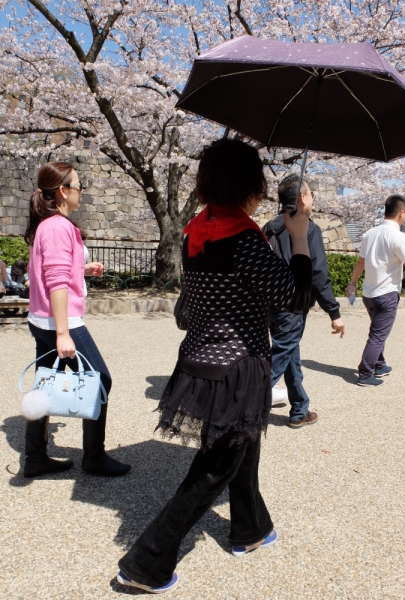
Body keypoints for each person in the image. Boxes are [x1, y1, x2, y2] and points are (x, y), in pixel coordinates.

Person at [116, 139, 313, 594]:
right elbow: (296, 298)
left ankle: (250, 528)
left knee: (242, 444)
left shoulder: (197, 231)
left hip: (199, 359)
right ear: (250, 184)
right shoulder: (244, 239)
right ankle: (146, 563)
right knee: (214, 467)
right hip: (238, 367)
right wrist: (299, 237)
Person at [23, 161, 131, 478]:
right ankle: (94, 457)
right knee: (100, 379)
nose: (81, 191)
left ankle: (35, 457)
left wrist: (82, 270)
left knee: (45, 381)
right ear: (63, 190)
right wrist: (63, 333)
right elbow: (55, 282)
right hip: (61, 321)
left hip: (41, 318)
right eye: (78, 185)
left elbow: (53, 272)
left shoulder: (49, 224)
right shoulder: (58, 227)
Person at [263, 174, 345, 429]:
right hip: (293, 305)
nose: (312, 199)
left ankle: (300, 409)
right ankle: (243, 406)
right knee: (279, 358)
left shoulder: (269, 227)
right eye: (310, 194)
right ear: (301, 198)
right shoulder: (308, 228)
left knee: (290, 354)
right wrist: (334, 312)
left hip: (270, 304)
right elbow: (318, 274)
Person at [346, 194, 405, 387]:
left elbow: (360, 262)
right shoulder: (398, 236)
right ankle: (365, 373)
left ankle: (379, 365)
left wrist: (352, 283)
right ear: (402, 213)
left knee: (378, 331)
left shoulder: (370, 234)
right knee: (378, 334)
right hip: (386, 293)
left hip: (368, 294)